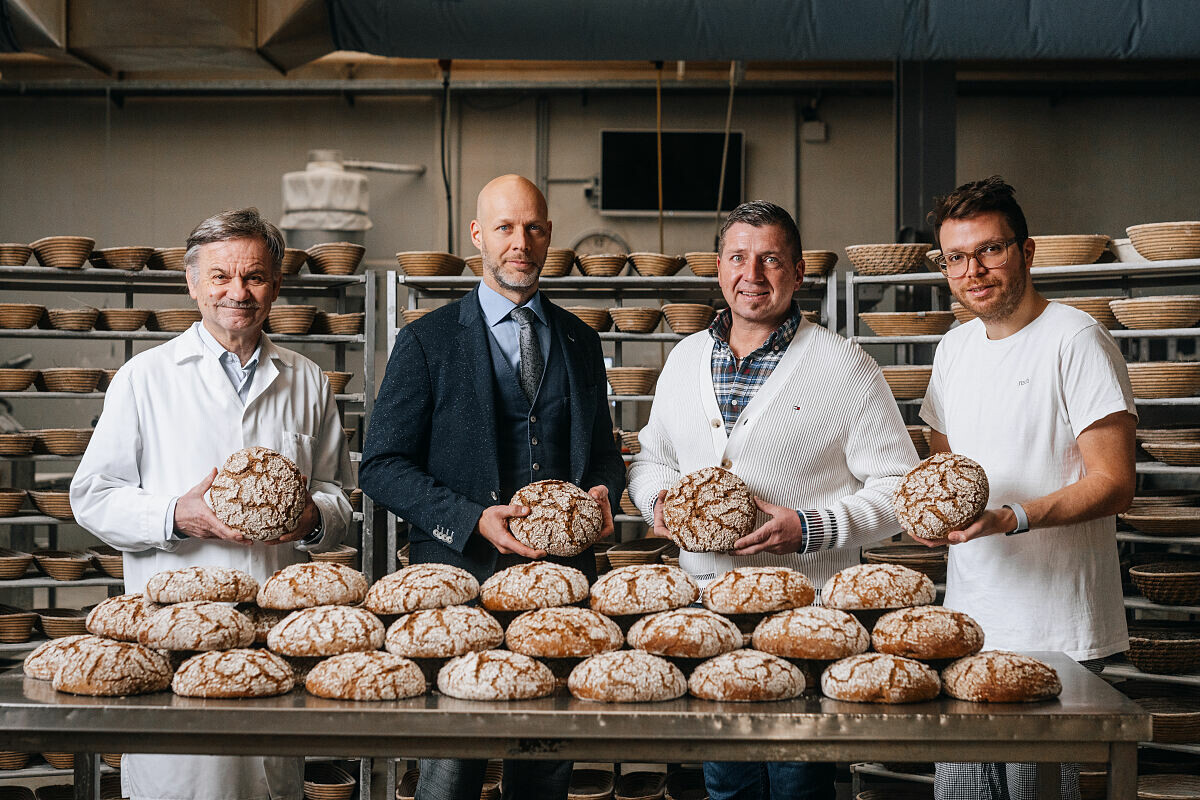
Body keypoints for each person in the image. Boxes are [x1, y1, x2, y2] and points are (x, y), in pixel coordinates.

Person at [627, 200, 917, 800]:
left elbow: (899, 488)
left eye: (770, 260)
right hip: (709, 612)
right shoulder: (683, 360)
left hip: (806, 615)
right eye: (738, 257)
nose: (751, 274)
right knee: (726, 783)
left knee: (797, 785)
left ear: (800, 270)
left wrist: (812, 527)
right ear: (717, 267)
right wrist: (661, 503)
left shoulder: (846, 366)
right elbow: (651, 458)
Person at [70, 208, 353, 800]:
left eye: (253, 276)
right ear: (192, 283)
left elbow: (337, 496)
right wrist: (177, 515)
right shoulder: (144, 378)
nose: (237, 292)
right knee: (186, 782)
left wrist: (312, 518)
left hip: (272, 640)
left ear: (275, 285)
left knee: (269, 781)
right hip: (176, 637)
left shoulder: (305, 380)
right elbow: (92, 496)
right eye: (220, 276)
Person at [360, 174, 625, 800]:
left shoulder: (581, 342)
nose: (521, 242)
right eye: (505, 227)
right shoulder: (427, 340)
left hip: (561, 587)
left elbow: (605, 457)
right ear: (477, 235)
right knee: (451, 771)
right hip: (458, 581)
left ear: (550, 235)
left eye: (533, 228)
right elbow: (381, 466)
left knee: (544, 764)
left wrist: (603, 495)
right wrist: (473, 517)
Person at [918, 176, 1135, 800]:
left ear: (1027, 251)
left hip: (1054, 629)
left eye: (990, 249)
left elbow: (1116, 483)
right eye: (956, 257)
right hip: (969, 622)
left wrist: (1012, 516)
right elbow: (945, 458)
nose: (973, 270)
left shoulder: (1076, 340)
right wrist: (939, 513)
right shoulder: (954, 348)